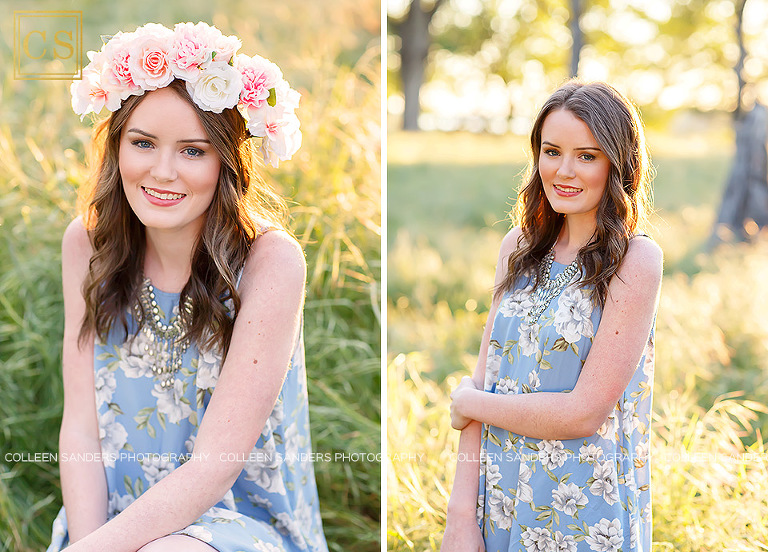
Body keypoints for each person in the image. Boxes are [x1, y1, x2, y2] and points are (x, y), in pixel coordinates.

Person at [46, 22, 327, 552]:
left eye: (193, 151)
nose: (163, 171)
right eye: (143, 143)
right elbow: (80, 429)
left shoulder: (270, 262)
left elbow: (214, 469)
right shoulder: (88, 244)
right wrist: (88, 542)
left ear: (226, 161)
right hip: (115, 520)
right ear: (117, 146)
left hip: (235, 522)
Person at [441, 81, 662, 552]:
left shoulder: (636, 261)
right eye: (551, 151)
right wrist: (460, 518)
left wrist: (469, 404)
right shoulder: (518, 248)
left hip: (581, 508)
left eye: (587, 155)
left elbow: (583, 413)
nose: (564, 171)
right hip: (498, 498)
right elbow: (483, 379)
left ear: (617, 165)